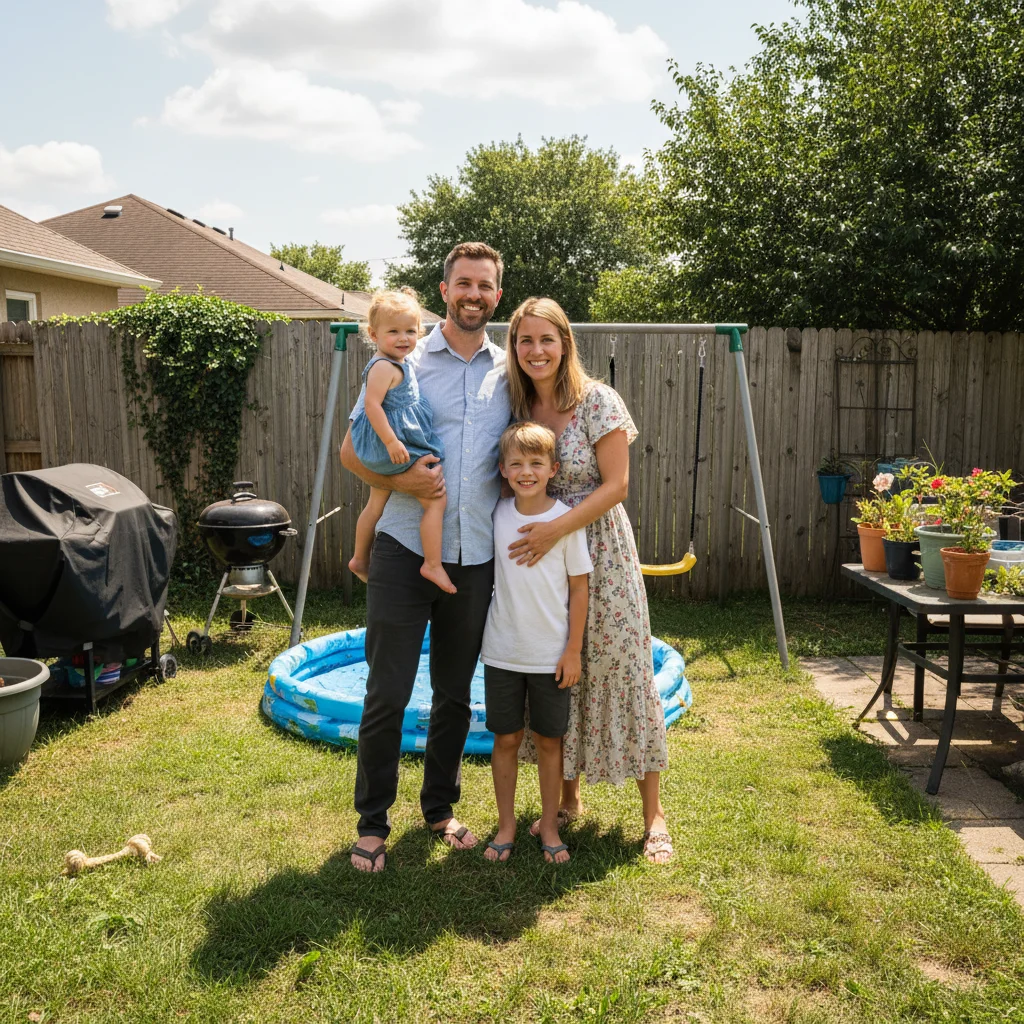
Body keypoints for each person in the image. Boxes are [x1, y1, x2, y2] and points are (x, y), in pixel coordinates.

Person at [340, 242, 510, 873]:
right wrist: (405, 483)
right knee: (385, 692)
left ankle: (438, 808)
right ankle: (372, 823)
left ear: (497, 294)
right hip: (403, 548)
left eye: (485, 286)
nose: (473, 294)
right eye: (463, 283)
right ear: (446, 290)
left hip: (475, 556)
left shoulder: (508, 369)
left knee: (454, 695)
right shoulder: (404, 358)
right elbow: (351, 450)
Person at [504, 296, 674, 865]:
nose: (536, 351)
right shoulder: (518, 407)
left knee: (622, 666)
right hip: (544, 563)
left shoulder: (598, 401)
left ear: (565, 342)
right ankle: (566, 802)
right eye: (525, 340)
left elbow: (616, 486)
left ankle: (654, 816)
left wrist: (554, 528)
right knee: (560, 670)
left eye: (545, 339)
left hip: (601, 552)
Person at [480, 422, 592, 865]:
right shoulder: (497, 515)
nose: (526, 471)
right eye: (517, 464)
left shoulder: (565, 521)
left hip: (551, 656)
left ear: (553, 469)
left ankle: (549, 824)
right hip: (502, 652)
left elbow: (579, 589)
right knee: (505, 739)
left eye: (536, 463)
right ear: (504, 470)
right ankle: (506, 826)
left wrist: (572, 650)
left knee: (550, 740)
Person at [347, 288, 454, 595]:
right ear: (374, 334)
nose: (403, 338)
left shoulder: (399, 362)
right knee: (436, 500)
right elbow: (372, 406)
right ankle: (432, 563)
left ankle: (358, 558)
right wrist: (393, 442)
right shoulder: (383, 366)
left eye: (410, 330)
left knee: (376, 504)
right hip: (391, 444)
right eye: (393, 331)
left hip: (390, 443)